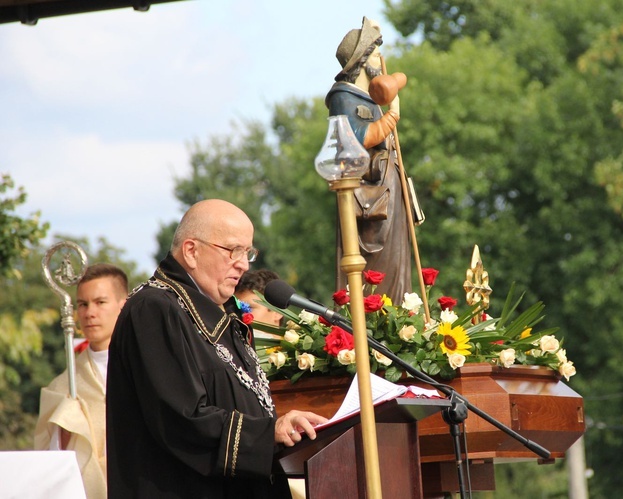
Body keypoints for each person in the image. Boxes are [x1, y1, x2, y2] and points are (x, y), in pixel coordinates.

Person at [106, 199, 327, 498]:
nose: (244, 263)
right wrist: (268, 434)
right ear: (191, 251)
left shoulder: (219, 315)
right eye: (233, 250)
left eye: (248, 252)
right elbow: (181, 418)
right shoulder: (154, 308)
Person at [326, 16, 413, 301]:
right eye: (375, 55)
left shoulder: (367, 98)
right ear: (362, 61)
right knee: (374, 266)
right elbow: (359, 137)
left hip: (388, 188)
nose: (381, 60)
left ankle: (400, 311)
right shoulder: (343, 98)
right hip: (369, 196)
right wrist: (391, 117)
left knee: (398, 258)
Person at [34, 263, 129, 499]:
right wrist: (64, 434)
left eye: (100, 302)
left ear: (123, 305)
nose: (89, 313)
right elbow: (49, 457)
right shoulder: (64, 385)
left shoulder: (149, 366)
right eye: (83, 304)